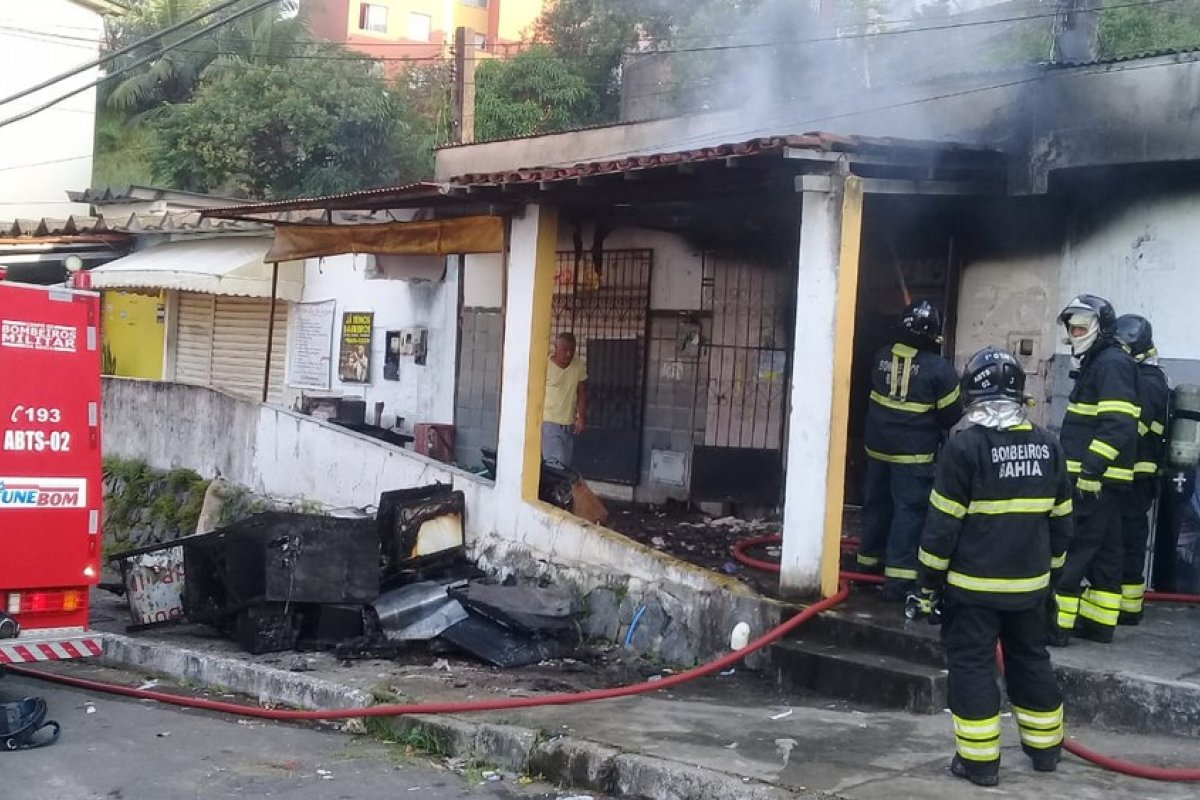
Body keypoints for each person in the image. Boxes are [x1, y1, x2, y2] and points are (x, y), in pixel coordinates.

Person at [915, 347, 1071, 787]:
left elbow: (941, 527)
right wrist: (1051, 577)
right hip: (1030, 590)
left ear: (972, 395)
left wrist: (927, 583)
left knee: (973, 667)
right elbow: (1063, 524)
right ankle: (1046, 753)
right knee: (1030, 661)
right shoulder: (1049, 446)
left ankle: (980, 764)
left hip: (973, 590)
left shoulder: (964, 448)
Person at [858, 300, 963, 600]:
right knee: (909, 512)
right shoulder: (939, 369)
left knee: (876, 505)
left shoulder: (880, 356)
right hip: (913, 456)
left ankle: (866, 566)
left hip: (877, 451)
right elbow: (951, 414)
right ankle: (898, 580)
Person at [1051, 294, 1140, 646]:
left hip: (1093, 481)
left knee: (1073, 549)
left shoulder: (1111, 364)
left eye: (1081, 326)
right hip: (1107, 482)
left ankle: (1055, 626)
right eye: (1071, 327)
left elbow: (1117, 425)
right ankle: (1099, 624)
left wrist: (1089, 472)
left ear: (1101, 327)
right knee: (1106, 554)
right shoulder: (1102, 361)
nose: (1075, 333)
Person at [1114, 314, 1170, 625]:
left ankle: (1128, 608)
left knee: (1130, 540)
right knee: (1122, 538)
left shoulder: (1148, 382)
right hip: (1131, 473)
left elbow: (1133, 428)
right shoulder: (1143, 377)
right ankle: (1124, 606)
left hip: (1137, 475)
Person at [542, 332, 588, 469]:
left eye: (571, 350)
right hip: (549, 423)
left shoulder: (579, 365)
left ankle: (556, 490)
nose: (568, 354)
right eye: (565, 350)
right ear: (556, 348)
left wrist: (581, 417)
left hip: (569, 424)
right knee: (556, 464)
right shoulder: (545, 365)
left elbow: (582, 392)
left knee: (565, 466)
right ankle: (553, 490)